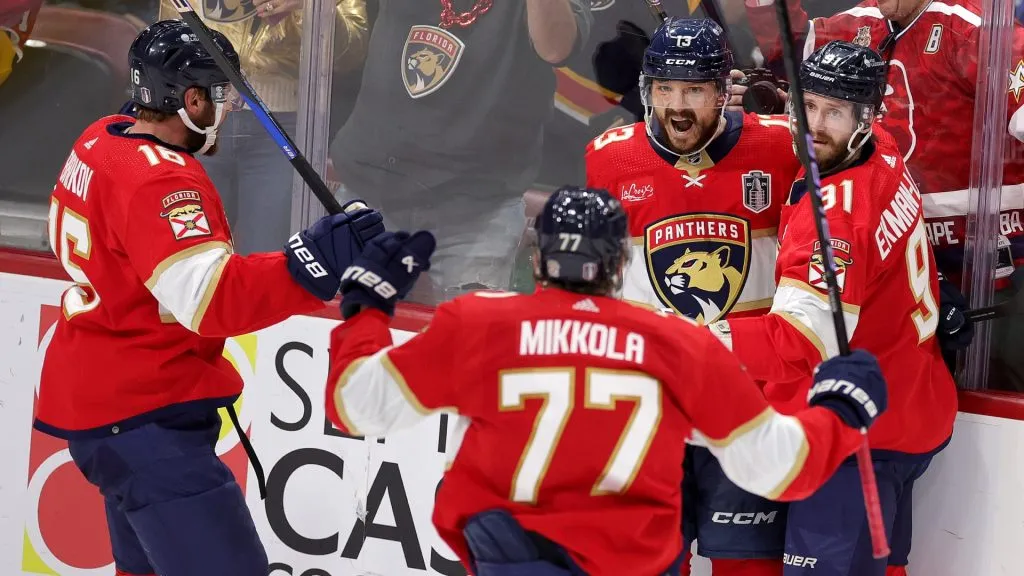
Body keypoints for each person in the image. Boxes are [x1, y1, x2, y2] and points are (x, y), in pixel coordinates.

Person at [323, 185, 888, 576]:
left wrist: (367, 306)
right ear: (621, 265)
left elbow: (357, 407)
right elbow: (778, 466)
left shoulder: (478, 324)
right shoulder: (683, 346)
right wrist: (837, 413)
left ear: (538, 260)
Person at [35, 21, 384, 576]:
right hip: (145, 417)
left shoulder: (101, 137)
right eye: (218, 97)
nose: (226, 111)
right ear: (190, 99)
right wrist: (312, 260)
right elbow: (212, 301)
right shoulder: (162, 182)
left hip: (103, 406)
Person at [708, 41, 958, 576]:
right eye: (809, 106)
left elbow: (801, 340)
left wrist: (703, 340)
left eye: (834, 112)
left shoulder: (835, 222)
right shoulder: (884, 149)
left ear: (864, 118)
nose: (814, 126)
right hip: (909, 405)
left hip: (854, 438)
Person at [585, 17, 800, 576]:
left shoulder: (780, 148)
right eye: (666, 90)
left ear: (721, 90)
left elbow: (866, 165)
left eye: (694, 90)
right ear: (647, 90)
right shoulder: (610, 159)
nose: (677, 107)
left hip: (748, 409)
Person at [746, 0, 1024, 384]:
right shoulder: (861, 22)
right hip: (900, 254)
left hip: (986, 258)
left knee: (995, 390)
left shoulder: (975, 28)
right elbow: (791, 49)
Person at [329, 0, 592, 304]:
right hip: (369, 192)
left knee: (464, 346)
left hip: (476, 214)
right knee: (341, 337)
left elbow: (555, 47)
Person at [157, 0, 370, 256]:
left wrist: (311, 6)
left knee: (265, 258)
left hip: (282, 124)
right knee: (188, 254)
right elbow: (168, 31)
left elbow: (352, 51)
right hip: (198, 113)